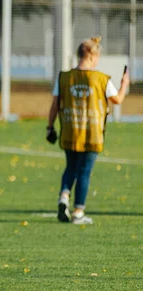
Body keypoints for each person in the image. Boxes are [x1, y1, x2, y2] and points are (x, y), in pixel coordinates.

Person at [46, 36, 129, 225]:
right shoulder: (101, 79)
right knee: (84, 172)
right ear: (91, 55)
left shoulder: (65, 77)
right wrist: (124, 84)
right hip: (92, 133)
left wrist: (50, 127)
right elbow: (117, 100)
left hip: (70, 131)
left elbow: (54, 105)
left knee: (70, 167)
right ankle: (78, 212)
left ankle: (64, 197)